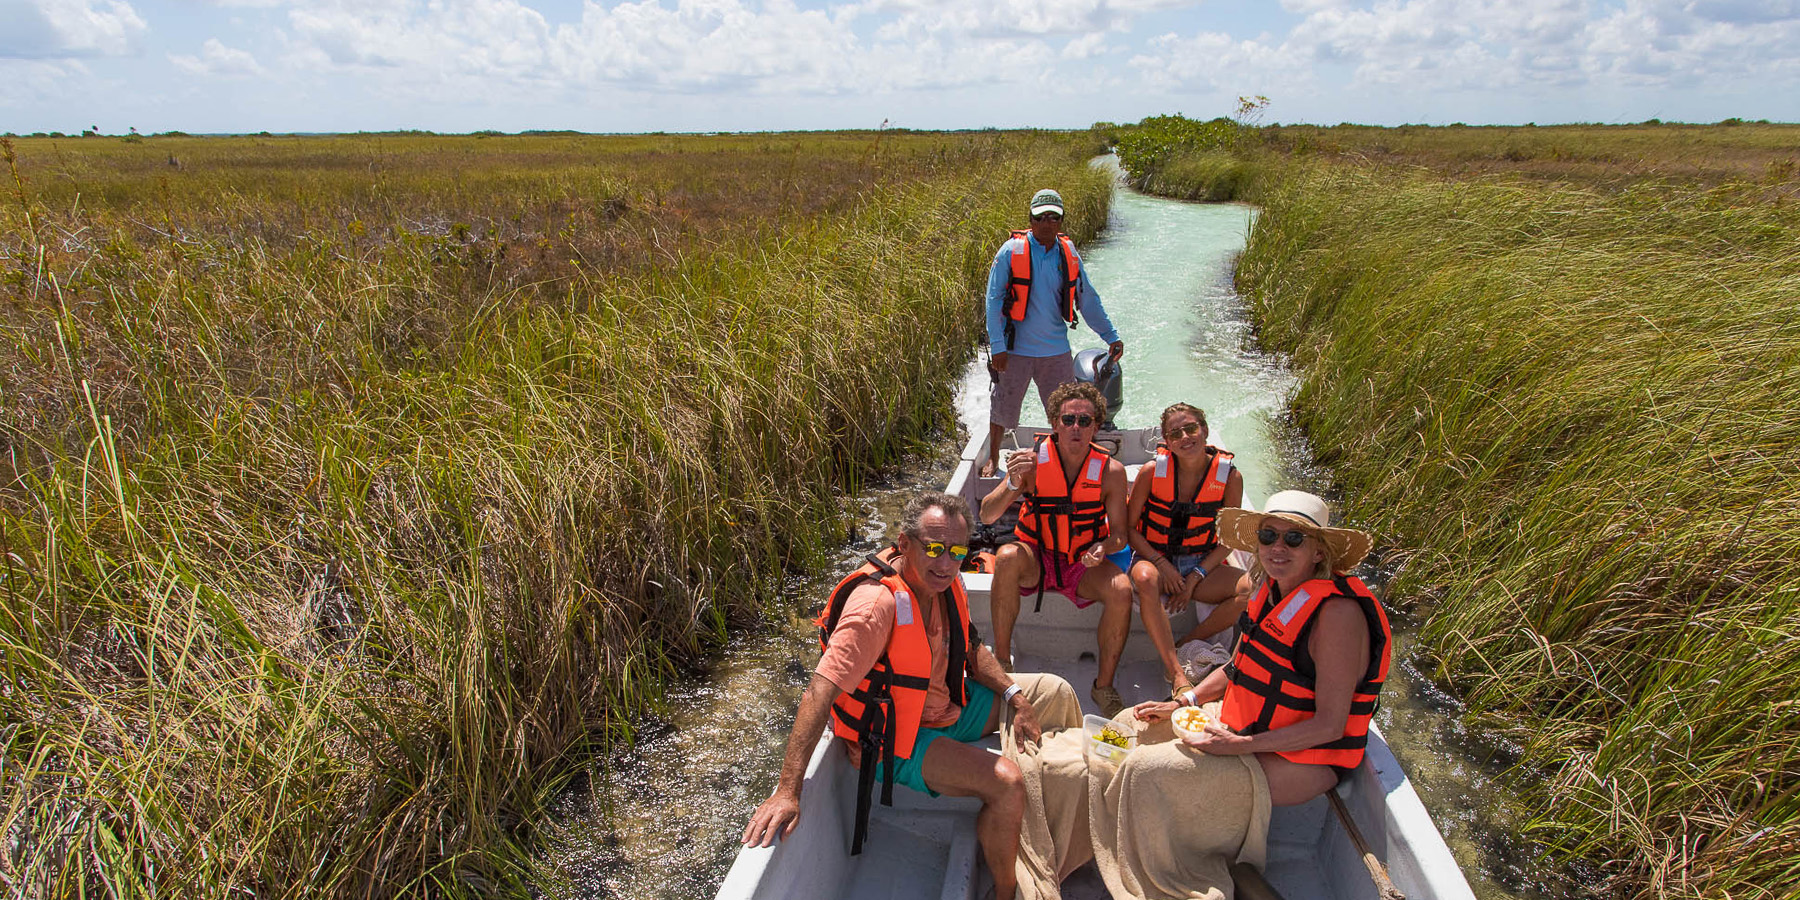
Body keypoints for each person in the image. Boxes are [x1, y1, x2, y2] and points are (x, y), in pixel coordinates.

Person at [743, 492, 1070, 900]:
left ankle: (1058, 829)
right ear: (904, 544)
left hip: (945, 706)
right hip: (895, 740)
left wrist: (1015, 696)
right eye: (933, 548)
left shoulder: (948, 581)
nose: (946, 562)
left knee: (1055, 691)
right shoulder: (875, 608)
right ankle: (1006, 891)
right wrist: (788, 790)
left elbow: (970, 649)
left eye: (956, 551)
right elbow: (818, 693)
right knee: (1007, 783)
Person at [1131, 490, 1390, 806]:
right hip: (1247, 731)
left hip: (1302, 759)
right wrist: (1185, 701)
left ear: (1319, 553)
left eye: (1294, 538)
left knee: (1145, 775)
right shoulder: (1268, 591)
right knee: (1132, 730)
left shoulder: (1337, 616)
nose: (1278, 547)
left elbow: (1330, 725)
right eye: (1268, 536)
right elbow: (1237, 667)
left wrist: (1239, 744)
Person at [979, 382, 1134, 716]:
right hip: (1038, 557)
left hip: (1082, 563)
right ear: (1054, 423)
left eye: (1084, 421)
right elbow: (987, 515)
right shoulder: (1031, 465)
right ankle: (1003, 664)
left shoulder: (1112, 472)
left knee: (1122, 588)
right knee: (1005, 556)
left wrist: (1103, 548)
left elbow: (1120, 536)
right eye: (1068, 420)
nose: (1075, 427)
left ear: (1096, 426)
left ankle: (1103, 686)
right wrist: (1012, 482)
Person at [981, 187, 1125, 479]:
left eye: (1054, 217)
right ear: (1031, 220)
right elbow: (993, 299)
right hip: (1015, 351)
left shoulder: (1067, 253)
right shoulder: (1010, 252)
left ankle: (1065, 462)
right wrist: (997, 345)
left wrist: (1110, 336)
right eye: (1041, 217)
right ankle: (993, 456)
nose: (1048, 223)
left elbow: (1087, 298)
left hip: (1055, 351)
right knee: (1003, 409)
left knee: (1067, 412)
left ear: (1061, 222)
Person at [1124, 403, 1247, 699]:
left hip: (1200, 563)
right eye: (1175, 433)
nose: (1185, 437)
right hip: (1152, 557)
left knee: (1251, 588)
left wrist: (1194, 577)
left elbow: (1229, 539)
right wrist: (1162, 564)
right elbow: (1129, 529)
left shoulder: (1230, 477)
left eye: (1191, 428)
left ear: (1204, 430)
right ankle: (1176, 671)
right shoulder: (1151, 472)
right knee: (1144, 578)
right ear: (1167, 441)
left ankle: (1184, 645)